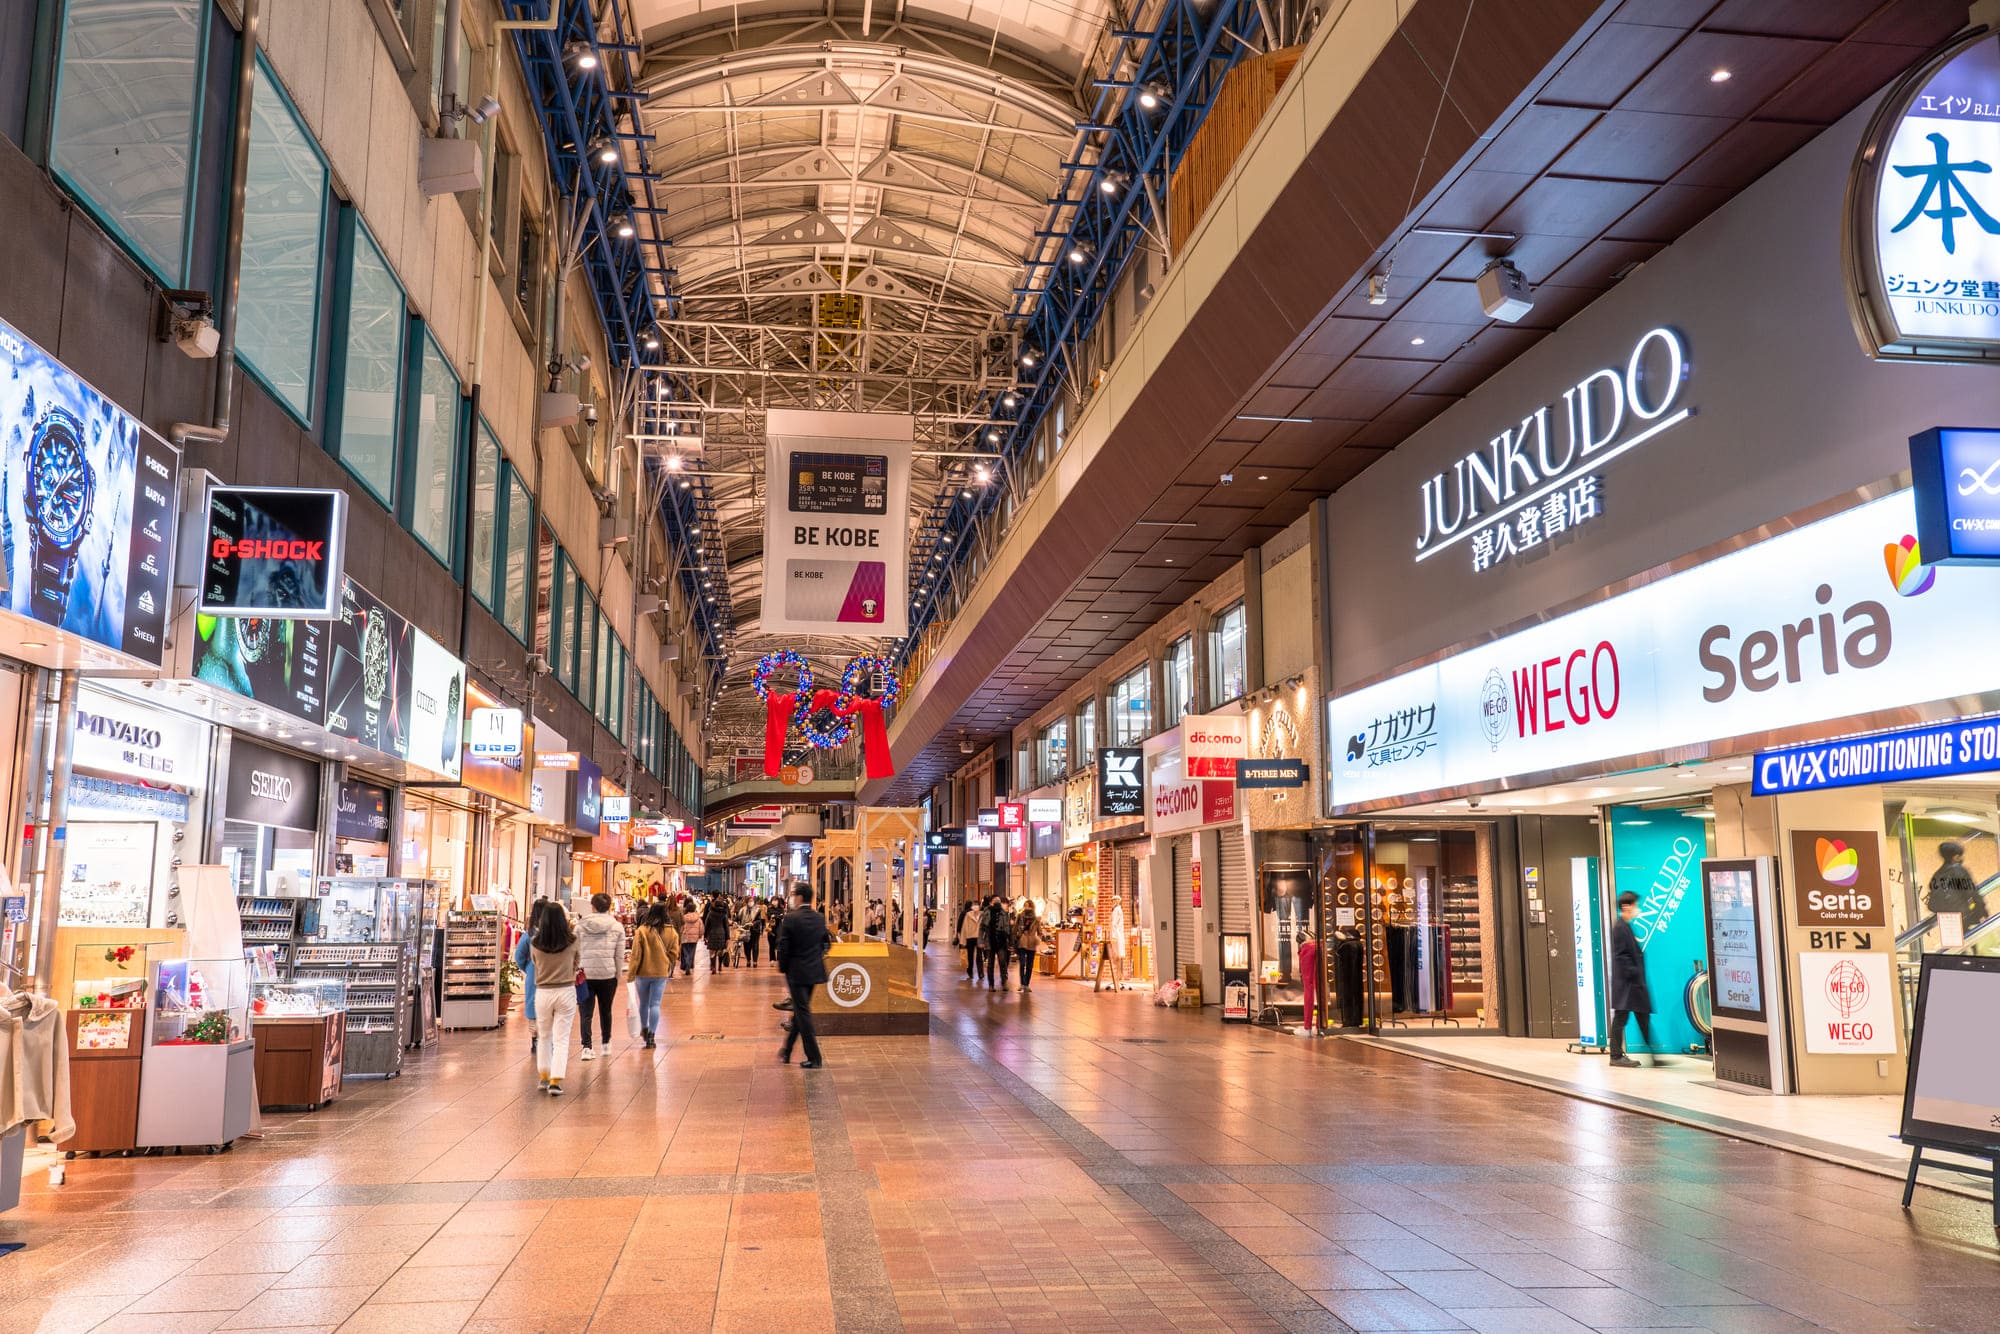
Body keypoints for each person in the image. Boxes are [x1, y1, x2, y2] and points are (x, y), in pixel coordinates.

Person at [1608, 890, 1666, 1068]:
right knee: (1621, 1018)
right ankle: (1616, 1056)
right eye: (1635, 906)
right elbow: (1622, 956)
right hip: (1627, 985)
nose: (1637, 909)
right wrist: (1633, 972)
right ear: (1626, 907)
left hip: (1632, 985)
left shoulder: (1625, 926)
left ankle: (1655, 1056)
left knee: (1642, 1019)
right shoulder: (1620, 928)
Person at [776, 882, 831, 1068]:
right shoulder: (819, 918)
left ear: (799, 897)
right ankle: (787, 1050)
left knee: (803, 1013)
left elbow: (784, 947)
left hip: (796, 972)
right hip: (814, 971)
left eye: (793, 895)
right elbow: (826, 943)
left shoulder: (791, 919)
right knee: (801, 1010)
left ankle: (815, 1057)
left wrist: (783, 967)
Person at [529, 900, 580, 1094]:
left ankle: (543, 1075)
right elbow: (577, 961)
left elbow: (535, 963)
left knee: (544, 1035)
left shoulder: (535, 943)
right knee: (561, 1038)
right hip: (566, 990)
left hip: (543, 991)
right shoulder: (572, 941)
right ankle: (555, 1081)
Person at [576, 893, 623, 1060]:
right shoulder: (617, 926)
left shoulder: (581, 926)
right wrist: (618, 973)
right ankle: (606, 1044)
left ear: (593, 906)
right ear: (609, 906)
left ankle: (587, 1047)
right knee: (606, 1010)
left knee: (585, 1012)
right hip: (607, 974)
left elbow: (574, 950)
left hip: (585, 975)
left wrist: (576, 969)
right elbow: (619, 955)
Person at [627, 901, 675, 1048]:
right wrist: (666, 962)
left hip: (642, 972)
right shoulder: (671, 931)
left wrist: (631, 974)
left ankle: (645, 1028)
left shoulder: (641, 931)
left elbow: (635, 955)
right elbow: (674, 953)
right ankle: (652, 1036)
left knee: (644, 1003)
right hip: (660, 972)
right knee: (655, 1004)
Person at [1927, 841, 1988, 926]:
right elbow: (1972, 893)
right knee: (1966, 937)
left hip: (1946, 920)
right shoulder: (1959, 871)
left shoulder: (1937, 875)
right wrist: (1983, 912)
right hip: (1962, 917)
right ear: (1955, 857)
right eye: (1960, 856)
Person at [512, 911, 538, 1054]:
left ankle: (535, 1040)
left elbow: (519, 955)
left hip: (533, 974)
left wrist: (527, 967)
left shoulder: (529, 935)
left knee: (533, 1005)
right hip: (553, 977)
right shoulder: (555, 934)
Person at [980, 894, 1010, 990]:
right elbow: (982, 927)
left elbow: (1007, 927)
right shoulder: (987, 912)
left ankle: (1004, 982)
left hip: (1001, 941)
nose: (997, 903)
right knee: (990, 964)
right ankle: (991, 985)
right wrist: (980, 940)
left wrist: (1009, 939)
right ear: (991, 903)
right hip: (990, 941)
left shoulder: (1003, 913)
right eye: (995, 901)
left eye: (998, 901)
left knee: (1002, 962)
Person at [1014, 903, 1043, 992]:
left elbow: (1039, 931)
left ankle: (1026, 984)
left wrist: (1038, 939)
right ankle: (1022, 983)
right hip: (1022, 942)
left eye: (1029, 906)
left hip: (1032, 943)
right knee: (1022, 963)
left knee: (1030, 965)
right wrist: (1015, 938)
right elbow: (1015, 928)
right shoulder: (1020, 916)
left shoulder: (1036, 919)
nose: (1027, 908)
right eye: (1025, 906)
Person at [703, 894, 731, 973]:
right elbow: (726, 926)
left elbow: (707, 925)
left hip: (712, 933)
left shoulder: (710, 913)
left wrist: (705, 935)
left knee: (712, 951)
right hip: (722, 934)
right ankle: (719, 966)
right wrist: (728, 937)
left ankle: (713, 967)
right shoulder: (724, 914)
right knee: (721, 951)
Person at [958, 900, 982, 980]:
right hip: (970, 937)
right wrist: (963, 941)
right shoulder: (968, 915)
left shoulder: (982, 915)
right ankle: (970, 970)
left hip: (979, 937)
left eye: (977, 905)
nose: (975, 907)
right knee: (970, 955)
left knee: (979, 956)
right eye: (974, 905)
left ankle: (980, 972)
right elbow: (964, 928)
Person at [677, 897, 699, 974]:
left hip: (685, 936)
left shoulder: (683, 916)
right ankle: (689, 965)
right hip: (694, 938)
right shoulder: (697, 917)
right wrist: (700, 935)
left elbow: (681, 926)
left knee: (685, 951)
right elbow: (701, 927)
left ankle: (686, 964)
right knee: (692, 952)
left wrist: (680, 934)